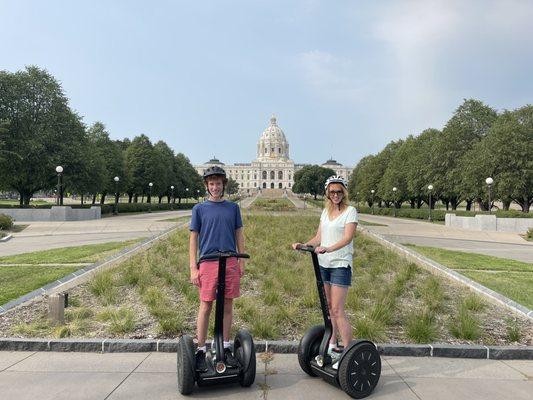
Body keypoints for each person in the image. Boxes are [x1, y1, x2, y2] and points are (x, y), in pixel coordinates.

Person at [292, 176, 358, 358]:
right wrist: (304, 245)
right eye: (332, 192)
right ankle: (332, 343)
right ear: (327, 194)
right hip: (324, 264)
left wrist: (329, 248)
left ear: (343, 192)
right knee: (329, 307)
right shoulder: (325, 212)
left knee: (338, 309)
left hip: (340, 264)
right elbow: (319, 236)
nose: (335, 195)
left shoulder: (350, 211)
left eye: (338, 191)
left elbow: (347, 238)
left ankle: (348, 350)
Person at [189, 166, 246, 371]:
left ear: (224, 185)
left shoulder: (233, 208)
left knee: (227, 305)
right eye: (211, 184)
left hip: (229, 260)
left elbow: (239, 233)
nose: (215, 187)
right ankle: (201, 349)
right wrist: (192, 267)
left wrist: (242, 260)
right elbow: (193, 238)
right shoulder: (199, 209)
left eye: (218, 184)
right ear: (207, 186)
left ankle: (226, 346)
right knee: (206, 305)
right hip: (208, 261)